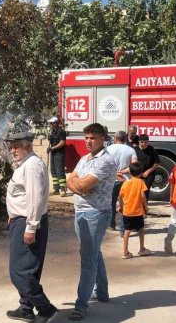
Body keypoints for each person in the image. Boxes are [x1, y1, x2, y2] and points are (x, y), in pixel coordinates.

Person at [4, 132, 58, 323]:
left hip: (28, 222)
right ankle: (26, 308)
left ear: (27, 146)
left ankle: (45, 308)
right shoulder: (25, 164)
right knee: (28, 269)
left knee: (20, 272)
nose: (12, 150)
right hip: (21, 220)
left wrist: (31, 227)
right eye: (11, 147)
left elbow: (35, 199)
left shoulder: (32, 166)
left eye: (16, 146)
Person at [66, 123, 116, 321]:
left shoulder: (105, 161)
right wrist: (78, 187)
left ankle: (81, 304)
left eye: (92, 137)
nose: (88, 141)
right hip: (81, 211)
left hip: (95, 213)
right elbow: (72, 179)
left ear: (103, 138)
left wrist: (79, 185)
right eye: (86, 137)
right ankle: (102, 293)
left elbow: (83, 183)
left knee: (88, 258)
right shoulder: (84, 159)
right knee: (94, 253)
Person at [106, 131, 138, 235]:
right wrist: (123, 172)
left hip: (112, 180)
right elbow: (135, 166)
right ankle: (123, 229)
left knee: (112, 203)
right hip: (126, 181)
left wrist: (115, 173)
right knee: (125, 205)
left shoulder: (108, 149)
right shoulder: (131, 150)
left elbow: (105, 166)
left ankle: (111, 224)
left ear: (115, 139)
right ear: (125, 139)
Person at [118, 162, 152, 259]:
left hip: (127, 211)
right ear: (140, 173)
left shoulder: (125, 183)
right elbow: (142, 196)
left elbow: (120, 196)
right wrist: (146, 207)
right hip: (138, 212)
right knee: (141, 229)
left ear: (130, 172)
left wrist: (121, 206)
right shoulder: (141, 182)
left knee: (127, 230)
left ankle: (125, 252)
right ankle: (142, 249)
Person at [136, 134, 160, 202]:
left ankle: (144, 208)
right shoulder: (135, 149)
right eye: (142, 142)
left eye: (146, 142)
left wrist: (148, 172)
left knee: (145, 190)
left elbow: (157, 163)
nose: (144, 144)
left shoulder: (152, 149)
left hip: (149, 174)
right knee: (137, 190)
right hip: (137, 173)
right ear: (139, 142)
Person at [47, 116, 67, 196]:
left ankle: (63, 190)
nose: (50, 125)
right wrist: (49, 139)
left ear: (55, 123)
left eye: (51, 123)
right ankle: (56, 189)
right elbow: (51, 142)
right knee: (53, 171)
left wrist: (52, 148)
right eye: (50, 123)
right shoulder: (52, 132)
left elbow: (62, 143)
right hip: (53, 153)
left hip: (59, 154)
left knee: (60, 172)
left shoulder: (61, 132)